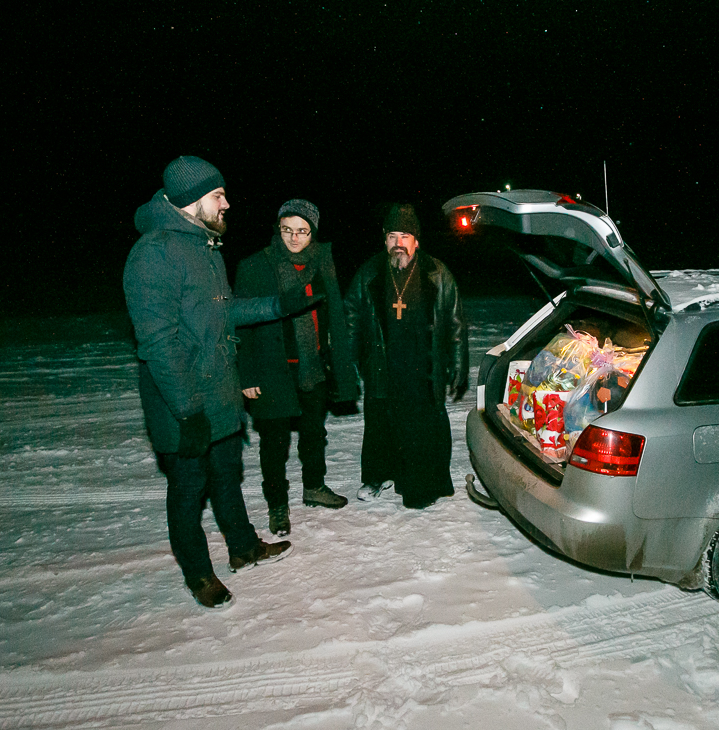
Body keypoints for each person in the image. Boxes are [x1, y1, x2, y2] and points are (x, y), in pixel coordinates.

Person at [123, 156, 317, 609]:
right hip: (183, 402)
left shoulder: (203, 246)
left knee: (227, 476)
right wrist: (188, 411)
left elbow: (222, 312)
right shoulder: (154, 255)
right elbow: (159, 344)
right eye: (218, 196)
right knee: (189, 491)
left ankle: (245, 547)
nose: (227, 203)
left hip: (219, 393)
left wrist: (277, 306)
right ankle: (198, 574)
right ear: (192, 201)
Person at [235, 199, 359, 537]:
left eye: (302, 231)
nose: (293, 238)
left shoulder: (322, 262)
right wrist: (246, 375)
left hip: (312, 366)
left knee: (314, 433)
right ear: (278, 229)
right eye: (287, 230)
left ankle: (314, 487)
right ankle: (277, 505)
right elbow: (240, 325)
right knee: (274, 442)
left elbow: (333, 313)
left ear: (313, 233)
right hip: (272, 369)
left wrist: (338, 361)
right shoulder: (255, 266)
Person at [343, 203, 469, 509]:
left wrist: (458, 365)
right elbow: (351, 319)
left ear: (416, 241)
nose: (398, 242)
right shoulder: (370, 272)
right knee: (379, 425)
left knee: (420, 429)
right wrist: (349, 362)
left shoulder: (437, 274)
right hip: (382, 365)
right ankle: (377, 477)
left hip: (423, 369)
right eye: (392, 235)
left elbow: (455, 324)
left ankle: (422, 487)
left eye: (405, 235)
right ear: (384, 239)